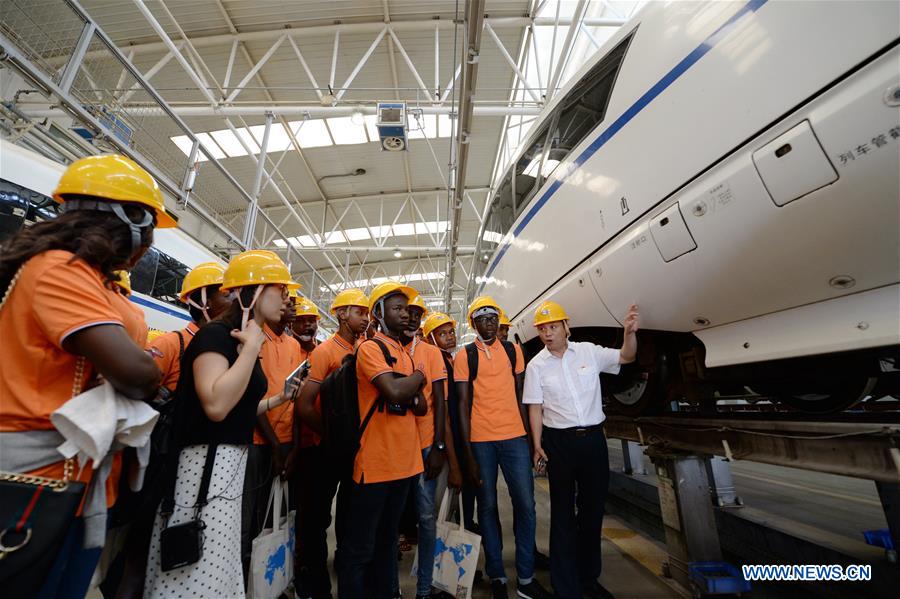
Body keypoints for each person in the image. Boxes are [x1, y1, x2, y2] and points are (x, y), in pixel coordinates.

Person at [0, 154, 169, 598]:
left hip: (76, 479)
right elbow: (137, 373)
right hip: (37, 476)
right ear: (130, 221)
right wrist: (147, 369)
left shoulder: (95, 282)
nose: (148, 246)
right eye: (150, 229)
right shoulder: (59, 269)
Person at [143, 250, 299, 597]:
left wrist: (279, 398)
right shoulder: (216, 336)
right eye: (280, 288)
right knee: (195, 569)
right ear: (254, 291)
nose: (287, 298)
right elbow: (215, 404)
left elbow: (238, 406)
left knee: (220, 564)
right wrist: (248, 352)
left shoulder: (245, 338)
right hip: (201, 471)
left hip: (227, 468)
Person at [112, 261, 232, 599]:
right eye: (225, 294)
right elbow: (134, 389)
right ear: (198, 301)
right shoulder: (172, 344)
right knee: (139, 548)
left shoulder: (225, 347)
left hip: (194, 467)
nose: (234, 301)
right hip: (161, 463)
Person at [524, 301, 638, 599]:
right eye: (542, 329)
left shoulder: (589, 351)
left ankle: (589, 579)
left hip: (593, 442)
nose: (547, 334)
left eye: (552, 327)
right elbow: (535, 408)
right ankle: (565, 587)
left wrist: (629, 333)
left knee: (592, 511)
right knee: (562, 514)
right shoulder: (536, 366)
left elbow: (627, 356)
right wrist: (536, 445)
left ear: (566, 327)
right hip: (558, 443)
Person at [455, 296, 552, 599]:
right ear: (474, 324)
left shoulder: (513, 351)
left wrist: (530, 439)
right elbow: (461, 404)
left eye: (494, 318)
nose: (490, 323)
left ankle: (525, 579)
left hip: (514, 439)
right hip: (481, 441)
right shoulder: (465, 356)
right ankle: (497, 574)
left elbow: (523, 393)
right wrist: (467, 454)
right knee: (487, 507)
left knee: (526, 505)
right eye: (483, 319)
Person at [338, 281, 427, 599]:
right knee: (361, 547)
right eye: (397, 308)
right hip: (375, 465)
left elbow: (421, 406)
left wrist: (411, 384)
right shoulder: (370, 349)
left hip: (405, 464)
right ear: (378, 313)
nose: (405, 314)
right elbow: (394, 391)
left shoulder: (404, 352)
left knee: (388, 542)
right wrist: (417, 378)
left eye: (406, 308)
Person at [292, 288, 369, 599]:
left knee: (351, 518)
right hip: (324, 451)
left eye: (367, 313)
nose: (365, 318)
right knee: (316, 519)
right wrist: (329, 434)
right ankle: (316, 587)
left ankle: (346, 573)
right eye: (359, 312)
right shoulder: (324, 353)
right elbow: (304, 404)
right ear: (341, 314)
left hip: (355, 451)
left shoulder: (367, 350)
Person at [242, 288, 306, 580]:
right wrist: (275, 444)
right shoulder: (254, 338)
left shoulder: (293, 346)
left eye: (292, 302)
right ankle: (245, 578)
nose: (288, 306)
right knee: (250, 517)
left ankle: (270, 578)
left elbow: (293, 397)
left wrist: (292, 447)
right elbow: (252, 398)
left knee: (278, 515)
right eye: (286, 301)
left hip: (286, 443)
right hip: (258, 443)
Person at [403, 297, 462, 599]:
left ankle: (425, 588)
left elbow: (440, 401)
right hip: (395, 451)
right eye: (405, 313)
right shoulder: (383, 349)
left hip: (427, 447)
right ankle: (390, 588)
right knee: (391, 523)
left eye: (417, 315)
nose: (411, 318)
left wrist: (439, 445)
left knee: (428, 520)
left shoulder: (431, 354)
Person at [423, 311, 476, 533]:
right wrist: (454, 464)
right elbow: (442, 416)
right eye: (442, 334)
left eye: (451, 332)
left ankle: (450, 563)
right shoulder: (439, 364)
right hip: (443, 448)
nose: (450, 337)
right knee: (438, 509)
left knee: (449, 506)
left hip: (451, 443)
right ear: (430, 339)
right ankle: (439, 563)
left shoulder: (450, 360)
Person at [148, 262, 231, 392]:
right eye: (227, 295)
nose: (235, 301)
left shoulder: (231, 347)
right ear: (204, 303)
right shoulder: (169, 344)